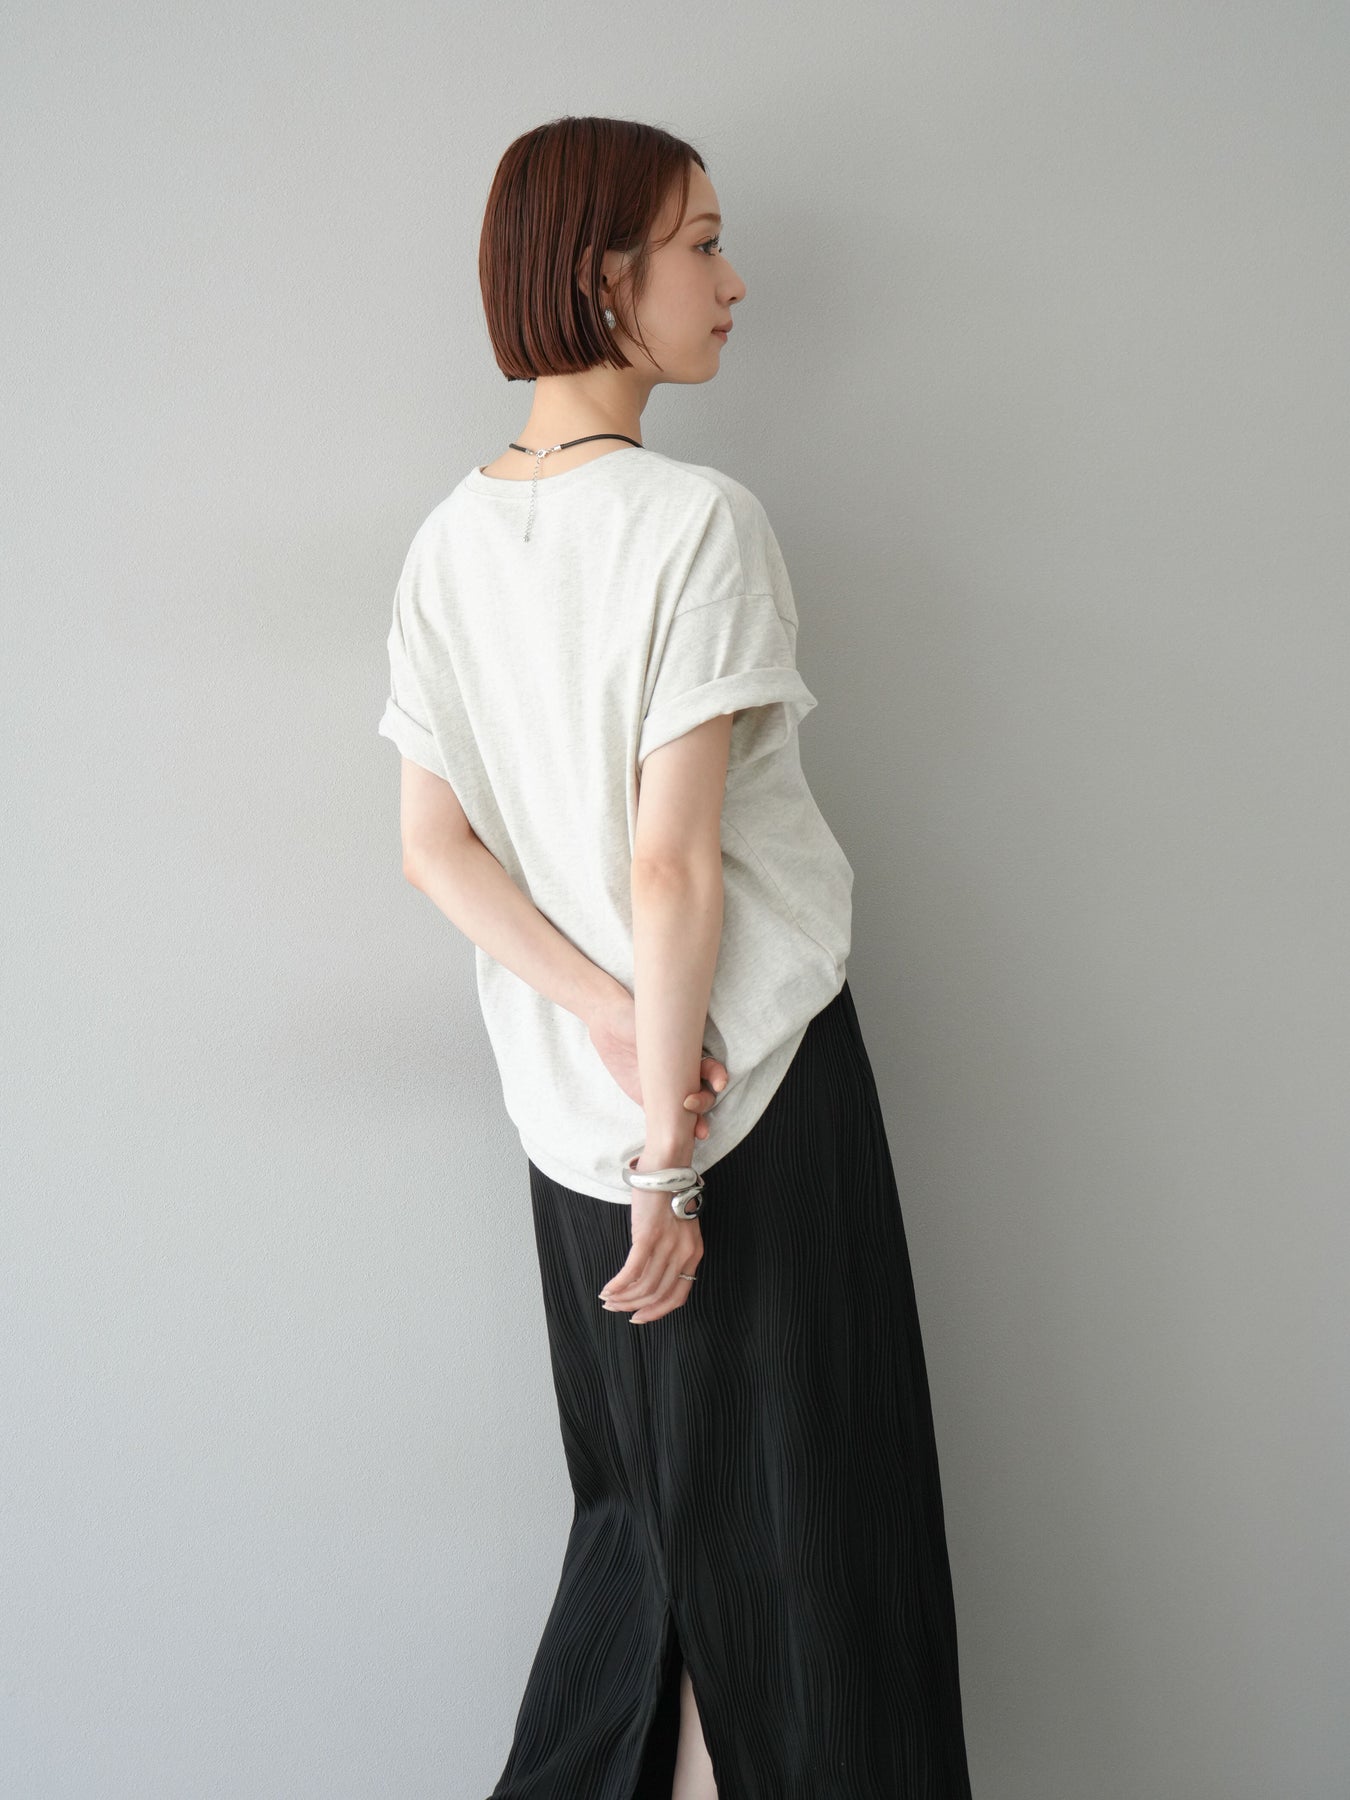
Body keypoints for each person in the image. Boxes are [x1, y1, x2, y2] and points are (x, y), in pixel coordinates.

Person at [377, 113, 974, 1800]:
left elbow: (435, 851)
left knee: (655, 1540)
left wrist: (601, 1024)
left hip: (581, 1121)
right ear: (601, 276)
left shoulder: (444, 545)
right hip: (740, 1107)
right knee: (807, 1559)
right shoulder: (695, 522)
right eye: (701, 244)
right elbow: (670, 860)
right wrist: (673, 1155)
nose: (733, 281)